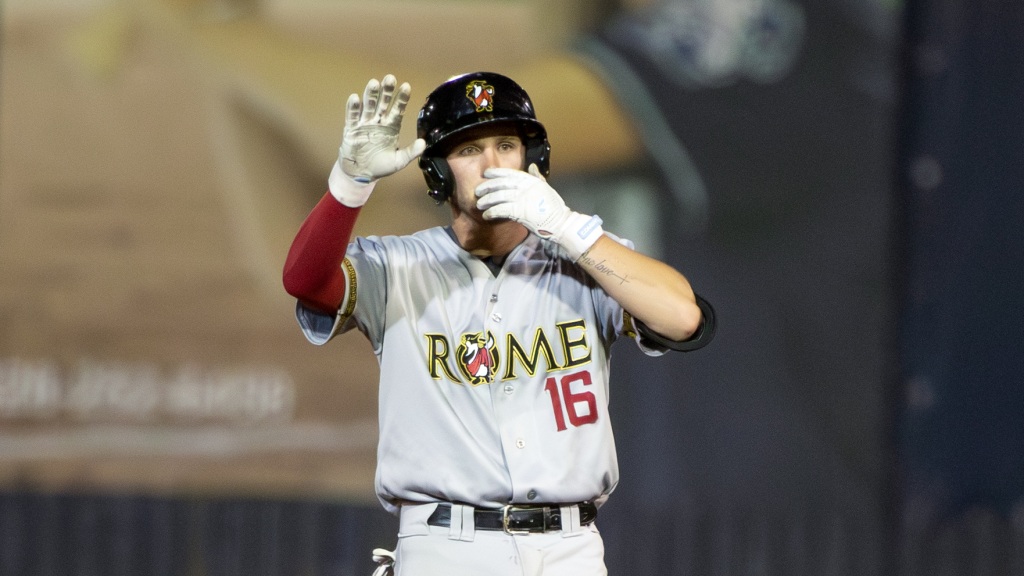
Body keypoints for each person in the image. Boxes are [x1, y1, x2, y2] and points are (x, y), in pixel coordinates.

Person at [282, 72, 714, 576]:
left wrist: (569, 228)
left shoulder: (585, 259)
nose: (491, 165)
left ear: (533, 160)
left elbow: (684, 319)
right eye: (469, 150)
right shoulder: (395, 267)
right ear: (438, 172)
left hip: (571, 550)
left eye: (506, 145)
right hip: (446, 547)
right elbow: (304, 281)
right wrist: (348, 185)